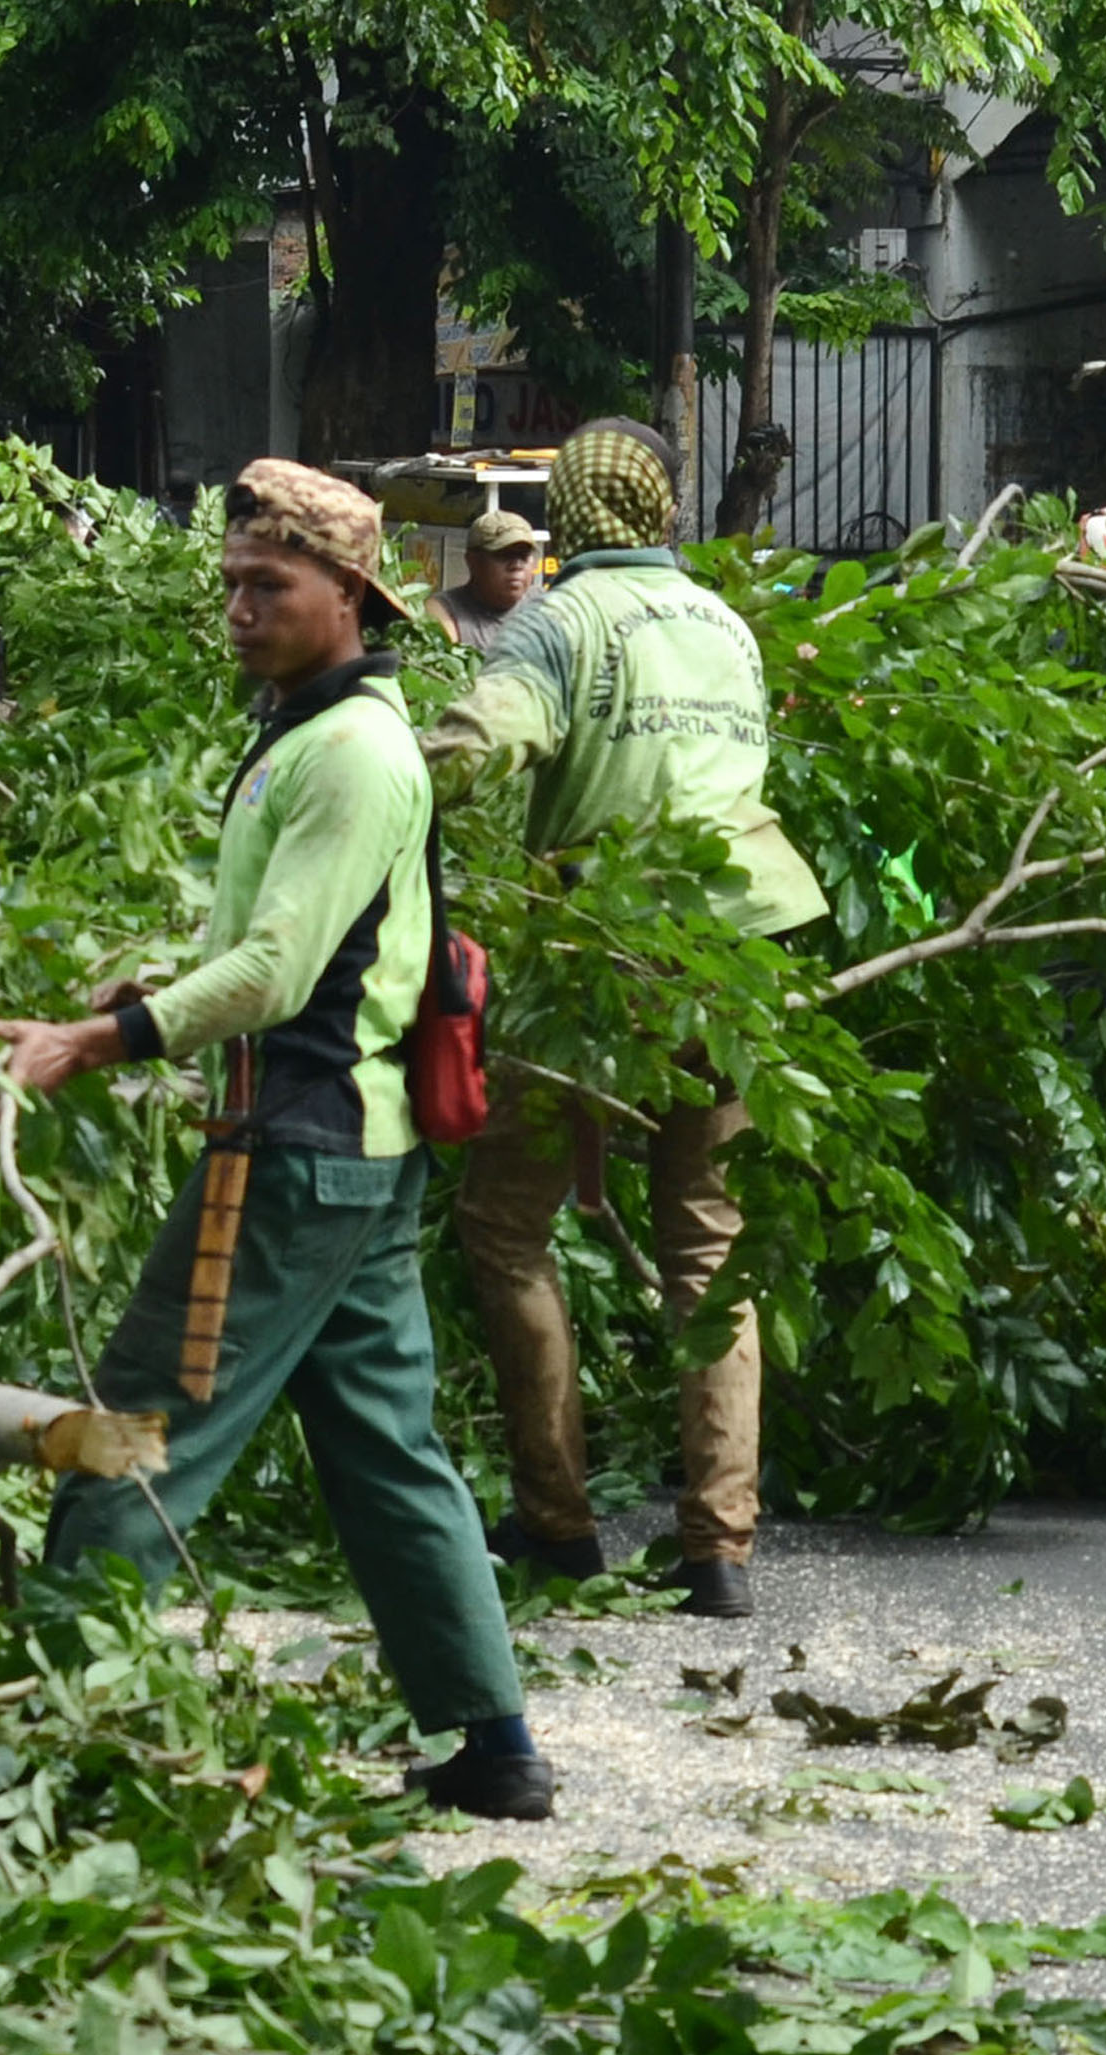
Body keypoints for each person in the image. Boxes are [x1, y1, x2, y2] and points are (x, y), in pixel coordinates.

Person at [0, 458, 559, 1823]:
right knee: (386, 1444)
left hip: (292, 1153)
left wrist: (98, 1044)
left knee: (139, 1418)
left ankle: (52, 1730)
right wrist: (110, 1012)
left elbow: (283, 969)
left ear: (349, 592)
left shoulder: (351, 752)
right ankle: (495, 1740)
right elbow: (284, 950)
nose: (238, 607)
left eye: (268, 585)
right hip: (354, 1149)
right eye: (230, 582)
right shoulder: (311, 728)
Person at [427, 417, 825, 1621]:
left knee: (505, 1224)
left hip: (598, 956)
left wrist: (375, 766)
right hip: (737, 954)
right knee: (708, 1241)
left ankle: (557, 1522)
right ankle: (720, 1547)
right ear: (657, 511)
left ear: (574, 522)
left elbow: (489, 743)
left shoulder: (557, 620)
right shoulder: (725, 625)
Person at [431, 507, 542, 651]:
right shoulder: (445, 611)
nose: (516, 565)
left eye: (523, 556)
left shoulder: (543, 604)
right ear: (473, 561)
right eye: (504, 555)